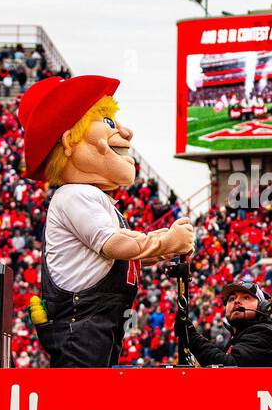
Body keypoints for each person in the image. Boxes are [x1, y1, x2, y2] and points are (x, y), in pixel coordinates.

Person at [18, 74, 195, 368]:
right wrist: (165, 240)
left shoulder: (94, 198)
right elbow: (113, 246)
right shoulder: (75, 194)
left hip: (98, 324)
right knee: (83, 403)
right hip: (82, 327)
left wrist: (165, 248)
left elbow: (116, 260)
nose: (126, 133)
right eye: (109, 123)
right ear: (69, 141)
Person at [181, 281, 272, 368]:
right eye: (232, 299)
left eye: (246, 297)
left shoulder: (265, 334)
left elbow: (229, 370)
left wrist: (192, 337)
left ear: (263, 307)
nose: (236, 301)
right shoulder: (241, 335)